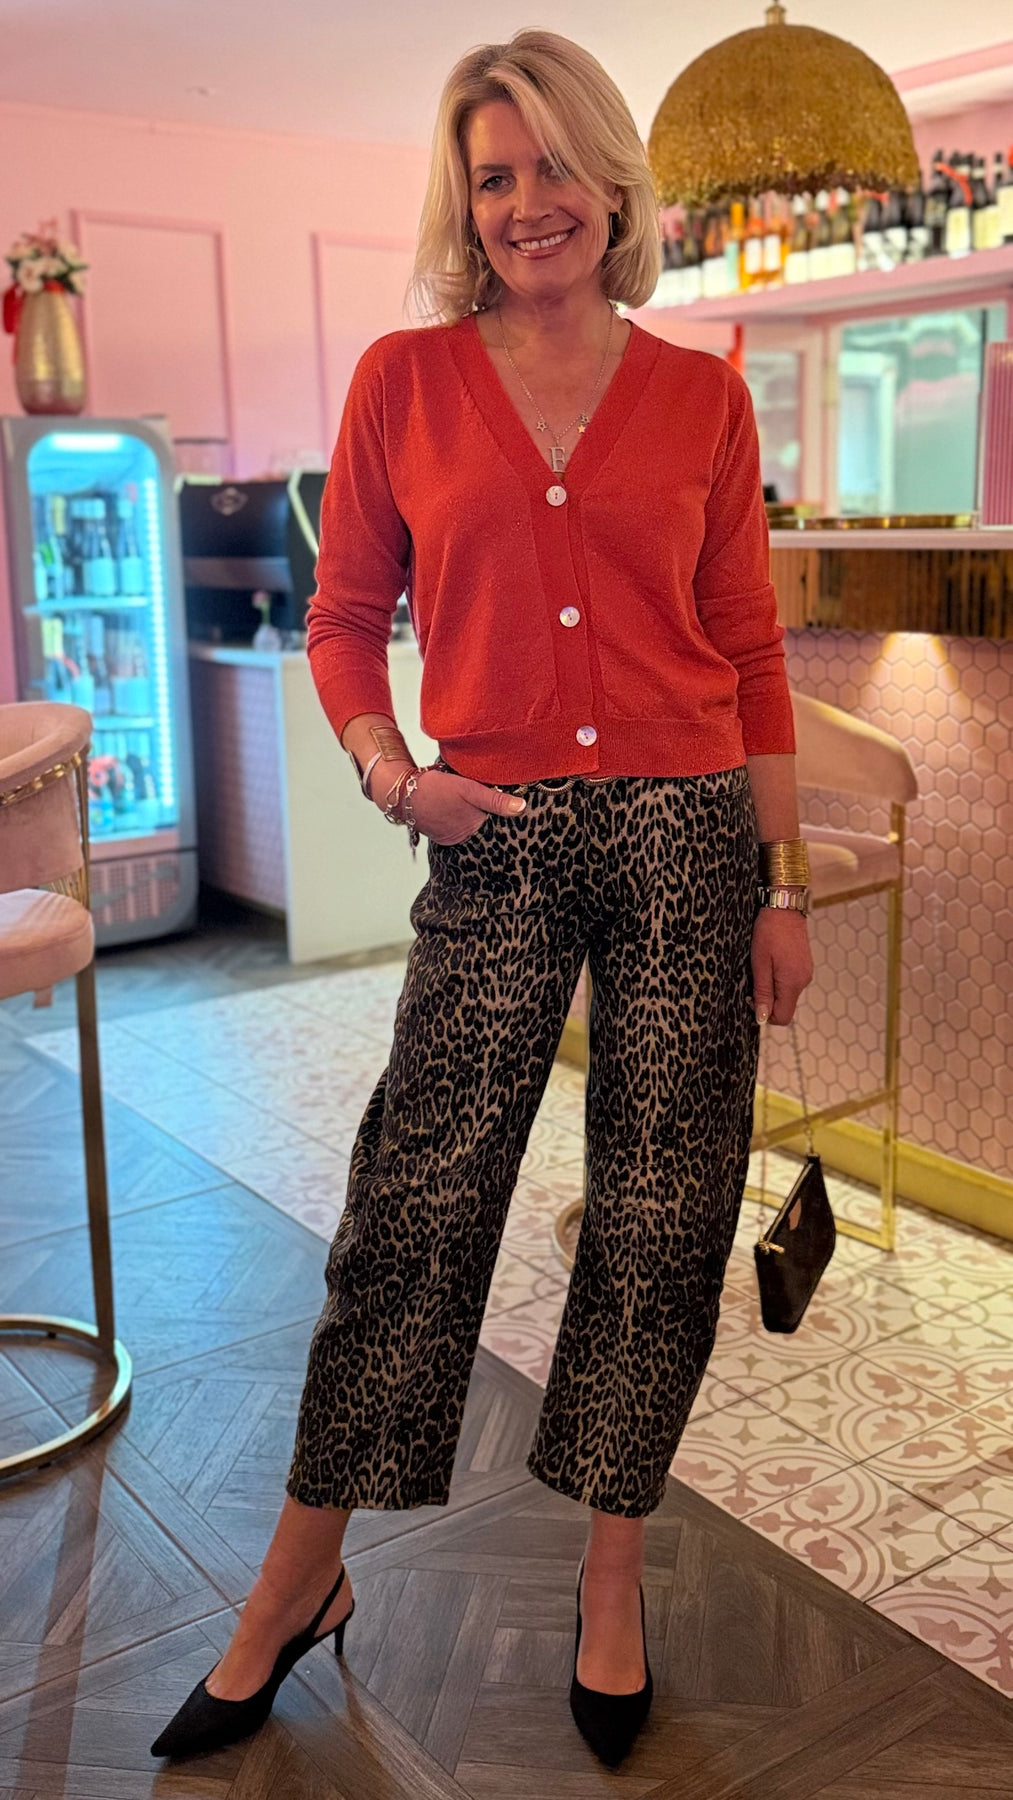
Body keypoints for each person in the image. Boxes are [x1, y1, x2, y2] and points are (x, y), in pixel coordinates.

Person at [152, 27, 813, 1770]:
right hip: (494, 833)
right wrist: (393, 774)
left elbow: (749, 651)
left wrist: (785, 882)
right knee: (416, 1203)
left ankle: (609, 1579)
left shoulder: (702, 394)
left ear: (612, 182)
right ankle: (298, 1579)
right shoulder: (403, 381)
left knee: (662, 1214)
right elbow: (341, 618)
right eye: (493, 175)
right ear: (464, 202)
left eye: (554, 166)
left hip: (687, 836)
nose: (528, 203)